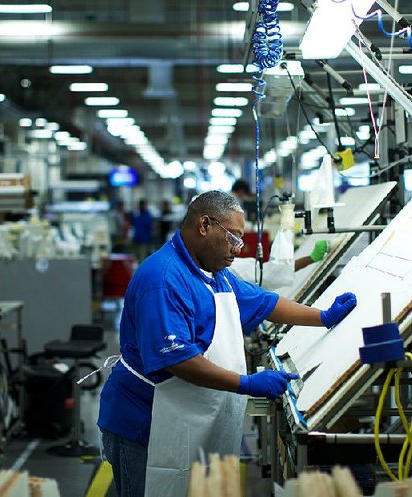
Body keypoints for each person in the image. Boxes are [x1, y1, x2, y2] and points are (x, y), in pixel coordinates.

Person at [97, 191, 357, 497]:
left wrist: (323, 317)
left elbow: (263, 302)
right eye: (234, 237)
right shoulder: (164, 279)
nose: (239, 248)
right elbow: (177, 360)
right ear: (205, 225)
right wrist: (246, 383)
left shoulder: (213, 273)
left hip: (182, 418)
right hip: (144, 425)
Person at [228, 239, 329, 290]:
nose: (236, 249)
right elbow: (267, 274)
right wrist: (311, 258)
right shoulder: (230, 268)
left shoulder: (232, 265)